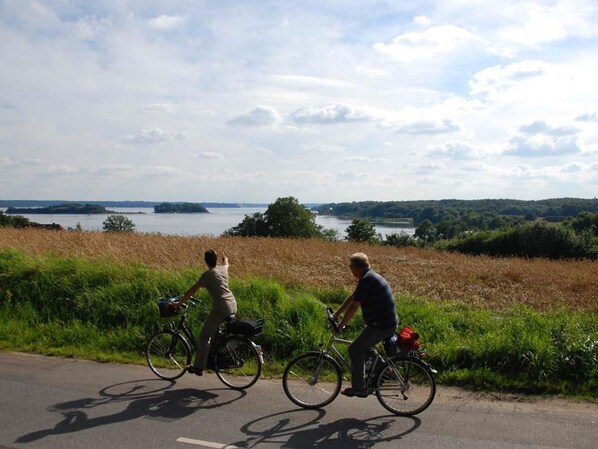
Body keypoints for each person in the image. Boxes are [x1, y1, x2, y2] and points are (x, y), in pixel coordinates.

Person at [332, 252, 398, 397]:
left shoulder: (367, 280)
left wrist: (341, 324)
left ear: (357, 267)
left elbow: (354, 306)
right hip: (383, 322)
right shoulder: (368, 277)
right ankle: (386, 370)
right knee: (364, 347)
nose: (349, 269)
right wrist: (336, 314)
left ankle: (359, 388)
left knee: (354, 349)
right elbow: (353, 297)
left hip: (381, 325)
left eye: (350, 266)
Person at [176, 249, 237, 376]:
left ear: (205, 261)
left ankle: (198, 367)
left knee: (204, 336)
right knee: (214, 334)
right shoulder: (222, 269)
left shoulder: (208, 275)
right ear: (216, 260)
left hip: (221, 307)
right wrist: (224, 258)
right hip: (232, 304)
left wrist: (179, 304)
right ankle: (214, 357)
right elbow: (227, 263)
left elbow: (192, 290)